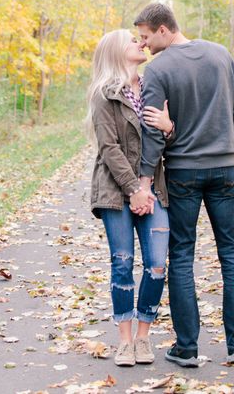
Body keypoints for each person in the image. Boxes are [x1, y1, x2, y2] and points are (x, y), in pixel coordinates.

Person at [134, 3, 234, 368]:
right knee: (232, 255)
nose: (145, 45)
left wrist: (143, 177)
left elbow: (154, 130)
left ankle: (187, 347)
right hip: (224, 170)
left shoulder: (159, 70)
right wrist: (229, 145)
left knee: (181, 256)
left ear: (164, 30)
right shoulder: (220, 54)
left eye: (147, 37)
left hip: (183, 173)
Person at [86, 29, 174, 367]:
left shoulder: (154, 86)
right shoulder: (103, 94)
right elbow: (109, 149)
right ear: (116, 53)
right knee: (122, 261)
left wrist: (169, 128)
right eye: (131, 40)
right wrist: (134, 189)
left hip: (154, 190)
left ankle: (143, 337)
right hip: (115, 190)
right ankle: (124, 341)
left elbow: (167, 138)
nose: (140, 43)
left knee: (156, 264)